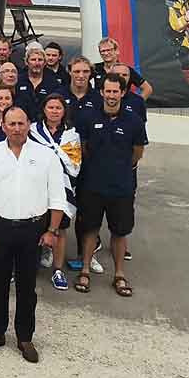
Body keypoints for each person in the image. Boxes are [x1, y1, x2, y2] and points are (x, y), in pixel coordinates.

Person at [0, 107, 65, 364]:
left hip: (33, 230)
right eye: (11, 124)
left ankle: (25, 337)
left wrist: (52, 231)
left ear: (29, 125)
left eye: (21, 123)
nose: (16, 128)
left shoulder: (45, 156)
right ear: (3, 125)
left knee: (27, 286)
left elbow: (57, 197)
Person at [73, 73, 146, 297]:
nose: (111, 95)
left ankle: (119, 275)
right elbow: (83, 148)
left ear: (123, 93)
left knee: (119, 232)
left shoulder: (134, 121)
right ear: (102, 92)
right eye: (108, 91)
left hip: (121, 188)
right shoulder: (88, 117)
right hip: (92, 186)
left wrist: (118, 168)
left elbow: (137, 153)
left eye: (116, 91)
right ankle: (85, 270)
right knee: (89, 229)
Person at [29, 94, 82, 291]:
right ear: (44, 109)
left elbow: (75, 165)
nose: (54, 111)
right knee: (33, 226)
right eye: (50, 107)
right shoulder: (33, 131)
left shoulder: (71, 134)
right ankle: (29, 267)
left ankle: (58, 270)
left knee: (60, 229)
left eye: (58, 108)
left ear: (64, 111)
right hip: (36, 185)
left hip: (62, 186)